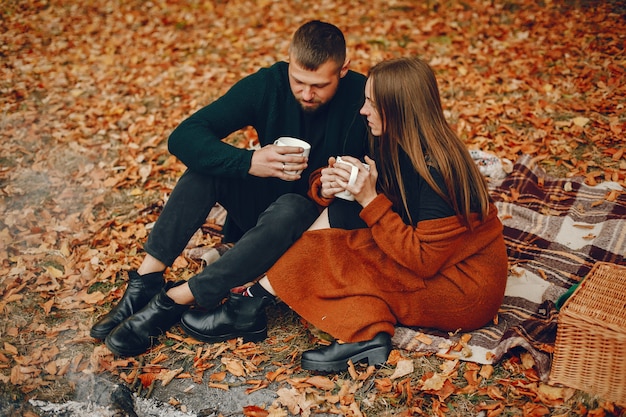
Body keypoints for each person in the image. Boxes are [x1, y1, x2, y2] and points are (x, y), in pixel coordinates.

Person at [179, 56, 509, 372]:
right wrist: (336, 183)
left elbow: (422, 259)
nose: (364, 110)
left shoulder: (440, 170)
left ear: (400, 111)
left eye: (373, 105)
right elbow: (395, 210)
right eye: (365, 100)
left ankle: (253, 303)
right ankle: (272, 303)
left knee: (341, 260)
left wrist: (370, 198)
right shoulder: (393, 141)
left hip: (463, 290)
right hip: (431, 260)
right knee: (341, 222)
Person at [94, 20, 369, 357]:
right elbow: (184, 135)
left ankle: (174, 300)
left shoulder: (364, 96)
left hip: (316, 229)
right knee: (203, 172)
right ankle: (144, 282)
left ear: (343, 70)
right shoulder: (268, 83)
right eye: (298, 81)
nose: (306, 93)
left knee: (293, 207)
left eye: (319, 85)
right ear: (289, 61)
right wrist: (250, 162)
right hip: (261, 215)